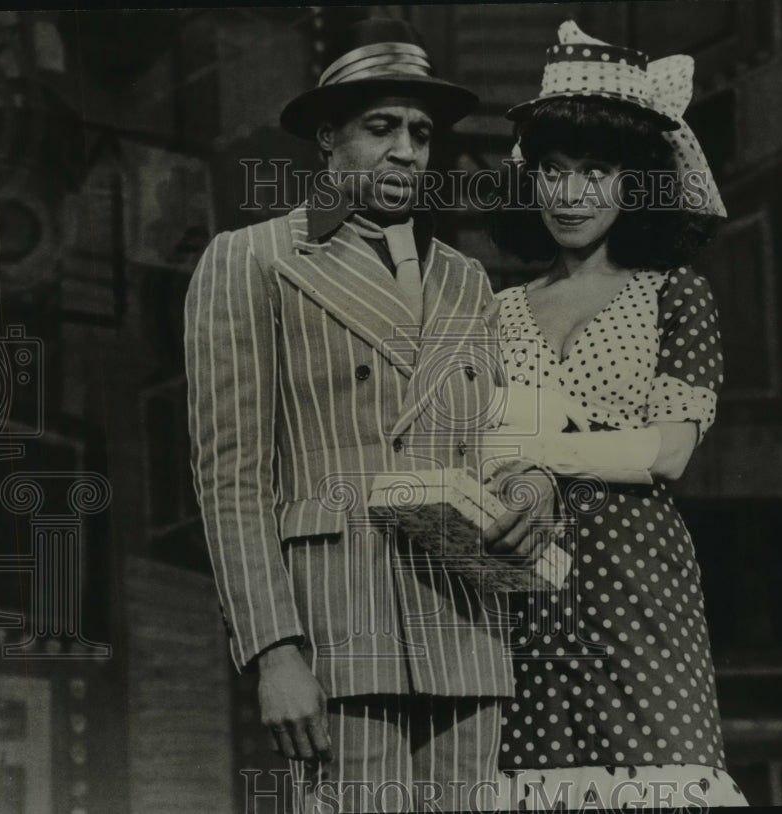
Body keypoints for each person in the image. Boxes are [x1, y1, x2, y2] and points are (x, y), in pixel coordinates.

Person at [184, 18, 551, 813]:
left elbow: (495, 439)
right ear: (327, 136)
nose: (406, 151)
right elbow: (231, 480)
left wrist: (531, 485)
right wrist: (273, 651)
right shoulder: (251, 260)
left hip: (464, 621)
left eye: (421, 132)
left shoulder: (467, 281)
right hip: (335, 620)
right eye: (380, 127)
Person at [488, 21, 748, 809]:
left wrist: (534, 446)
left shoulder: (674, 292)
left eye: (595, 171)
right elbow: (480, 453)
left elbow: (666, 455)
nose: (570, 195)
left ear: (633, 181)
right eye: (553, 172)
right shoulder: (495, 310)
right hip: (519, 583)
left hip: (637, 583)